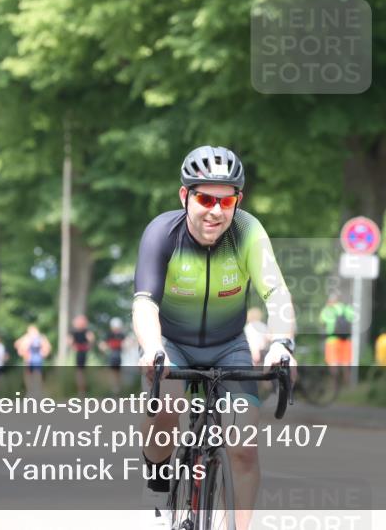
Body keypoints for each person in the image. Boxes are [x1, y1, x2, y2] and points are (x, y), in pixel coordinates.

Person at [133, 145, 297, 530]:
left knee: (244, 449)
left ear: (239, 200)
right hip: (172, 343)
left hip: (229, 347)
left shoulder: (247, 231)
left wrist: (281, 343)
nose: (216, 211)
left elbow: (277, 294)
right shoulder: (162, 233)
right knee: (167, 407)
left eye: (227, 201)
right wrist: (153, 348)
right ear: (184, 196)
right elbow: (144, 303)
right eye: (206, 199)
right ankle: (157, 488)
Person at [319, 294, 354, 387]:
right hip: (345, 340)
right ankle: (348, 386)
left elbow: (322, 321)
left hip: (332, 340)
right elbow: (352, 318)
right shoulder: (346, 308)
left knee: (333, 364)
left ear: (329, 301)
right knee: (346, 364)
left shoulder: (327, 309)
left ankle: (334, 386)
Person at [15, 324, 51, 397]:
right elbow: (17, 344)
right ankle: (30, 391)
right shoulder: (26, 337)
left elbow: (47, 346)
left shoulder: (40, 337)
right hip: (29, 358)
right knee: (29, 375)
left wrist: (44, 352)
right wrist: (22, 352)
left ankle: (37, 390)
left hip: (37, 358)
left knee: (37, 374)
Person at [67, 314, 95, 396]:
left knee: (81, 371)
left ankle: (82, 390)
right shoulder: (73, 332)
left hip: (83, 352)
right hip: (78, 352)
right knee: (79, 371)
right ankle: (81, 390)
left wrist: (89, 345)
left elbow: (91, 340)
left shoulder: (86, 331)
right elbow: (69, 341)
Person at [103, 317, 127, 394]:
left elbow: (126, 344)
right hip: (113, 355)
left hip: (118, 356)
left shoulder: (121, 335)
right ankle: (115, 388)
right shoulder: (110, 335)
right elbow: (103, 345)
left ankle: (117, 388)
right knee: (114, 372)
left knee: (117, 372)